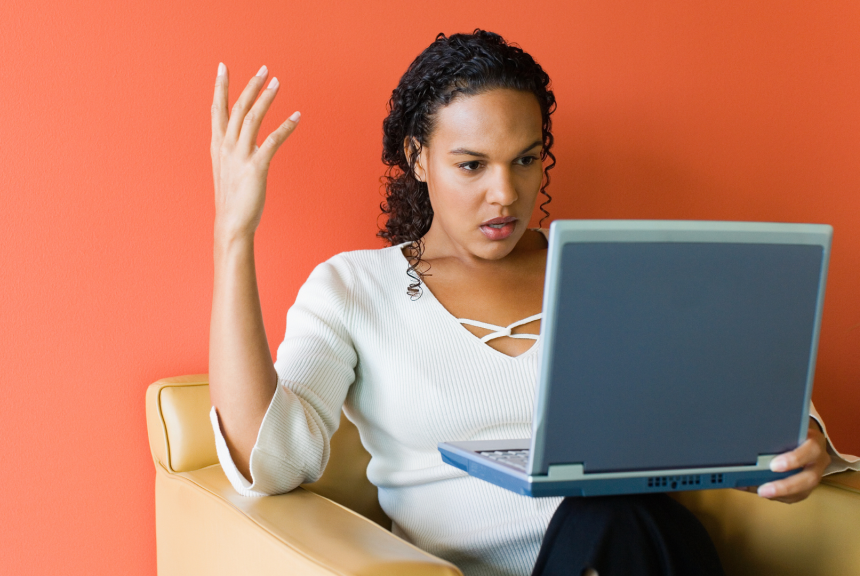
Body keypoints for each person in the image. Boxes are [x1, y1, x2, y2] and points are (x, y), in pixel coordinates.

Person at [207, 29, 856, 576]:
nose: (505, 193)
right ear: (417, 157)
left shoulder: (608, 275)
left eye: (525, 160)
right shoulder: (352, 289)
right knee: (606, 515)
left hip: (640, 548)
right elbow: (271, 463)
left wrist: (798, 450)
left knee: (619, 514)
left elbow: (735, 416)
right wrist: (234, 238)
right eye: (472, 165)